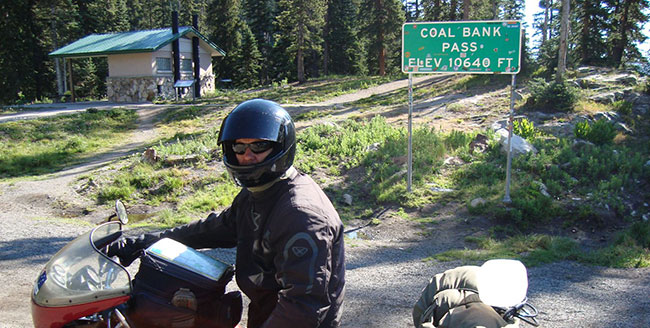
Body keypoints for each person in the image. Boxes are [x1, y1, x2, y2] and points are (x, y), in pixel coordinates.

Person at [108, 99, 345, 328]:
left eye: (259, 146)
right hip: (267, 314)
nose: (247, 156)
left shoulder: (301, 215)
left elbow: (303, 307)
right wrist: (140, 243)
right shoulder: (258, 195)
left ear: (281, 146)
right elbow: (206, 231)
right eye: (239, 147)